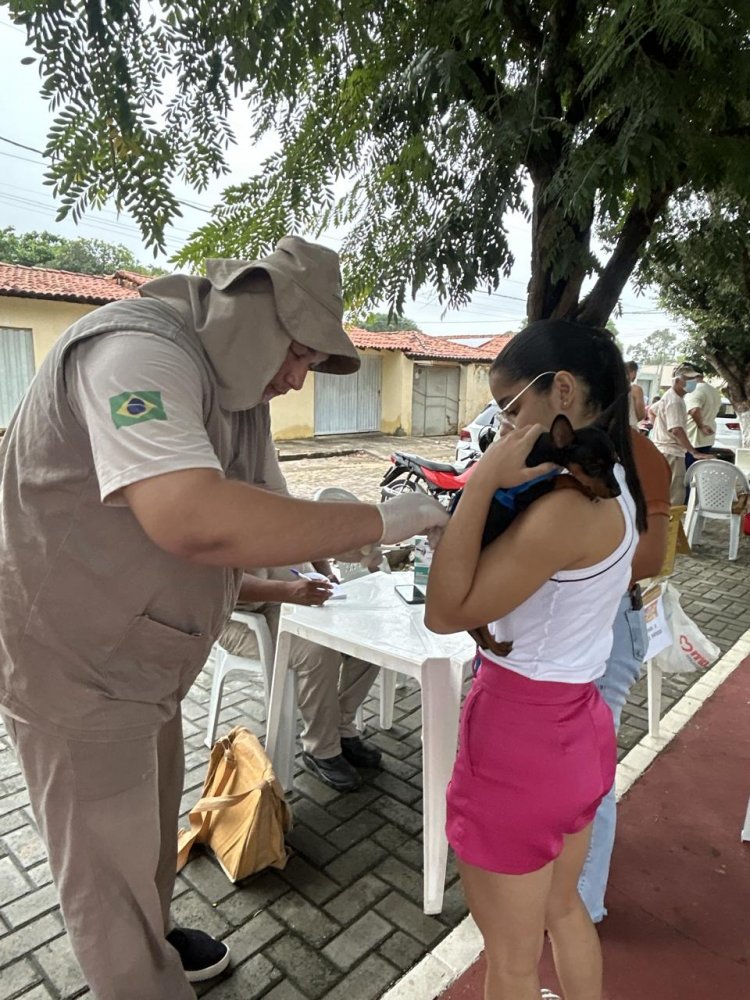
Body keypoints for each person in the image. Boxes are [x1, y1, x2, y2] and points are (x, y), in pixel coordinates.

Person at [0, 237, 448, 1000]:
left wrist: (301, 567)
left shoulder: (238, 393)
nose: (298, 378)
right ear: (254, 313)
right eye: (300, 354)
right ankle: (138, 975)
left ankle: (156, 936)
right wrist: (384, 520)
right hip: (74, 670)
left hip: (148, 662)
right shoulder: (134, 352)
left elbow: (264, 513)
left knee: (146, 832)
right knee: (105, 881)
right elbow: (193, 518)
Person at [426, 319, 647, 1000]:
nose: (504, 424)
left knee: (512, 964)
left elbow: (445, 609)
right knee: (563, 909)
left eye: (511, 407)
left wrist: (483, 480)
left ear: (563, 391)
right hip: (578, 730)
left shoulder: (563, 510)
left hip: (520, 742)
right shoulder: (613, 483)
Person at [577, 427, 670, 923]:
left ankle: (583, 903)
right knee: (574, 769)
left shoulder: (637, 451)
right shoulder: (561, 442)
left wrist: (560, 563)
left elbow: (652, 557)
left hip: (609, 621)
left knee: (592, 773)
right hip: (579, 623)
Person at [219, 567, 381, 791]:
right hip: (234, 615)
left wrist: (326, 574)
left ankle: (341, 727)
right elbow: (221, 580)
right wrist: (288, 590)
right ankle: (321, 749)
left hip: (282, 601)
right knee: (317, 652)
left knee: (369, 633)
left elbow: (311, 541)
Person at [650, 367, 709, 504]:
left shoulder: (670, 397)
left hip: (664, 450)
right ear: (677, 381)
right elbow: (676, 430)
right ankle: (671, 525)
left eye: (693, 379)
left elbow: (652, 411)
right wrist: (693, 452)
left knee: (664, 492)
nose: (692, 382)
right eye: (688, 379)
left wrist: (660, 431)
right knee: (674, 497)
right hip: (672, 453)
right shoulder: (675, 401)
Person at [683, 368, 730, 461]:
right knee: (698, 470)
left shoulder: (695, 390)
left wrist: (701, 426)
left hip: (693, 439)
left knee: (688, 471)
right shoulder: (714, 391)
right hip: (706, 439)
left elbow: (694, 410)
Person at [625, 360, 646, 428]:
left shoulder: (611, 388)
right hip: (630, 428)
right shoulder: (636, 390)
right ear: (633, 373)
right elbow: (641, 415)